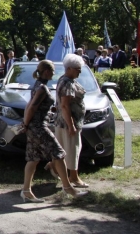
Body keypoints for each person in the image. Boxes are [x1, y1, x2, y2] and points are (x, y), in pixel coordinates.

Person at [20, 60, 87, 202]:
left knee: (33, 158)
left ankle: (26, 191)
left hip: (33, 126)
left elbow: (30, 105)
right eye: (52, 71)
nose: (54, 73)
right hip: (39, 127)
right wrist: (25, 123)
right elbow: (31, 107)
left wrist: (26, 124)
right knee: (59, 153)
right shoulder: (42, 88)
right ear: (46, 72)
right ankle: (68, 188)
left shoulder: (37, 85)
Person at [55, 54, 90, 188]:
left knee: (66, 149)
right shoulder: (67, 83)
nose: (79, 72)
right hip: (67, 123)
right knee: (72, 150)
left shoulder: (65, 80)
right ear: (69, 68)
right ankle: (74, 177)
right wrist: (71, 126)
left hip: (64, 122)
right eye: (77, 69)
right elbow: (65, 105)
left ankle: (53, 166)